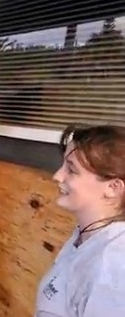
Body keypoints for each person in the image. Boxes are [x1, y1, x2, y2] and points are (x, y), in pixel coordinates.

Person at [35, 124, 125, 316]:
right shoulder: (87, 234)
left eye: (72, 170)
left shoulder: (113, 265)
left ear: (113, 187)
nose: (57, 176)